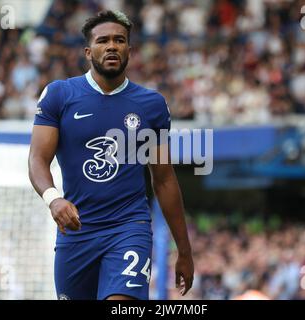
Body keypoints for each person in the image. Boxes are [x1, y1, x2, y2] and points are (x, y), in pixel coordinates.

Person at [28, 10, 193, 300]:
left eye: (119, 40)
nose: (112, 46)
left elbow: (164, 180)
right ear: (89, 51)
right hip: (76, 231)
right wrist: (53, 199)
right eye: (103, 41)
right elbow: (38, 159)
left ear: (129, 50)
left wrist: (185, 250)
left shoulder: (151, 105)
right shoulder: (59, 95)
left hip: (129, 227)